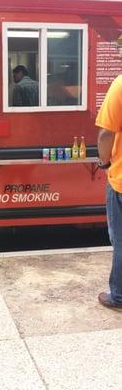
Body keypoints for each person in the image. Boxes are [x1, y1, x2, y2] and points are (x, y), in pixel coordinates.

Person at [95, 74, 122, 310]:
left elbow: (106, 134)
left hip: (121, 181)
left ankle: (119, 296)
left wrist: (103, 163)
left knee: (121, 240)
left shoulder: (121, 85)